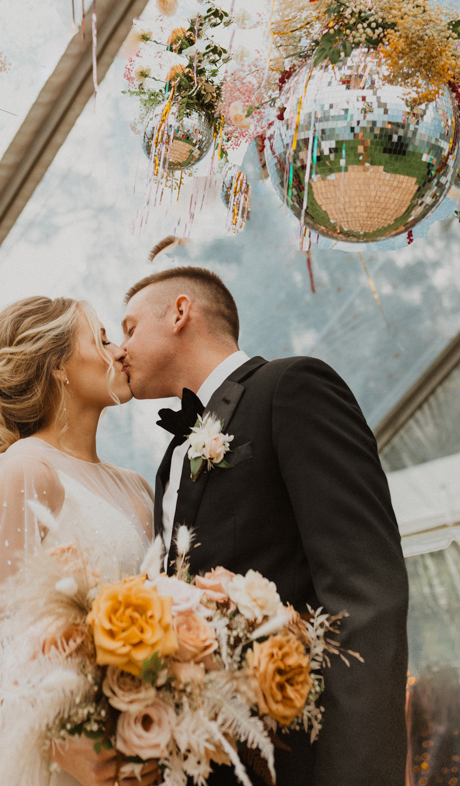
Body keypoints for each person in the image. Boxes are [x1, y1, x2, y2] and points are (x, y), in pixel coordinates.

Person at [120, 266, 409, 786]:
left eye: (130, 328)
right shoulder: (169, 458)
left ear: (181, 312)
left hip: (300, 758)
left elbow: (365, 591)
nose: (120, 350)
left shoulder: (292, 386)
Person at [0, 295, 160, 786]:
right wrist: (58, 743)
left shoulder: (136, 488)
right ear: (59, 369)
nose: (119, 352)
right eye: (102, 338)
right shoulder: (28, 471)